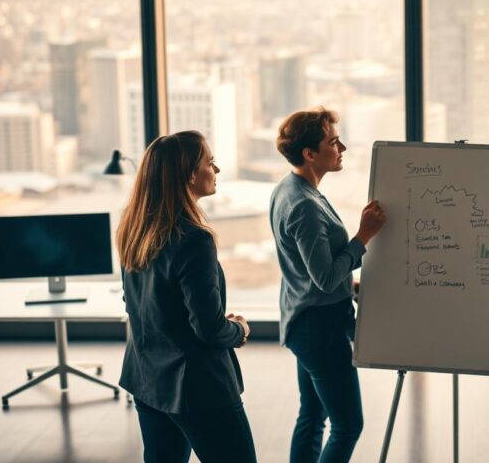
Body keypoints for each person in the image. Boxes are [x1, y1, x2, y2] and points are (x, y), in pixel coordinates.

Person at [117, 130, 257, 463]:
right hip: (198, 387)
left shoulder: (133, 227)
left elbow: (137, 303)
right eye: (210, 162)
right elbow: (208, 329)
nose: (217, 170)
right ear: (190, 175)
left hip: (147, 376)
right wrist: (239, 330)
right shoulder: (194, 239)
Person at [270, 107, 387, 463]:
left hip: (305, 321)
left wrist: (348, 286)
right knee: (348, 424)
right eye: (333, 142)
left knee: (312, 415)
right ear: (309, 153)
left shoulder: (289, 188)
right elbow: (322, 278)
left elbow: (309, 271)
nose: (342, 148)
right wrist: (362, 238)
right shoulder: (304, 204)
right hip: (319, 327)